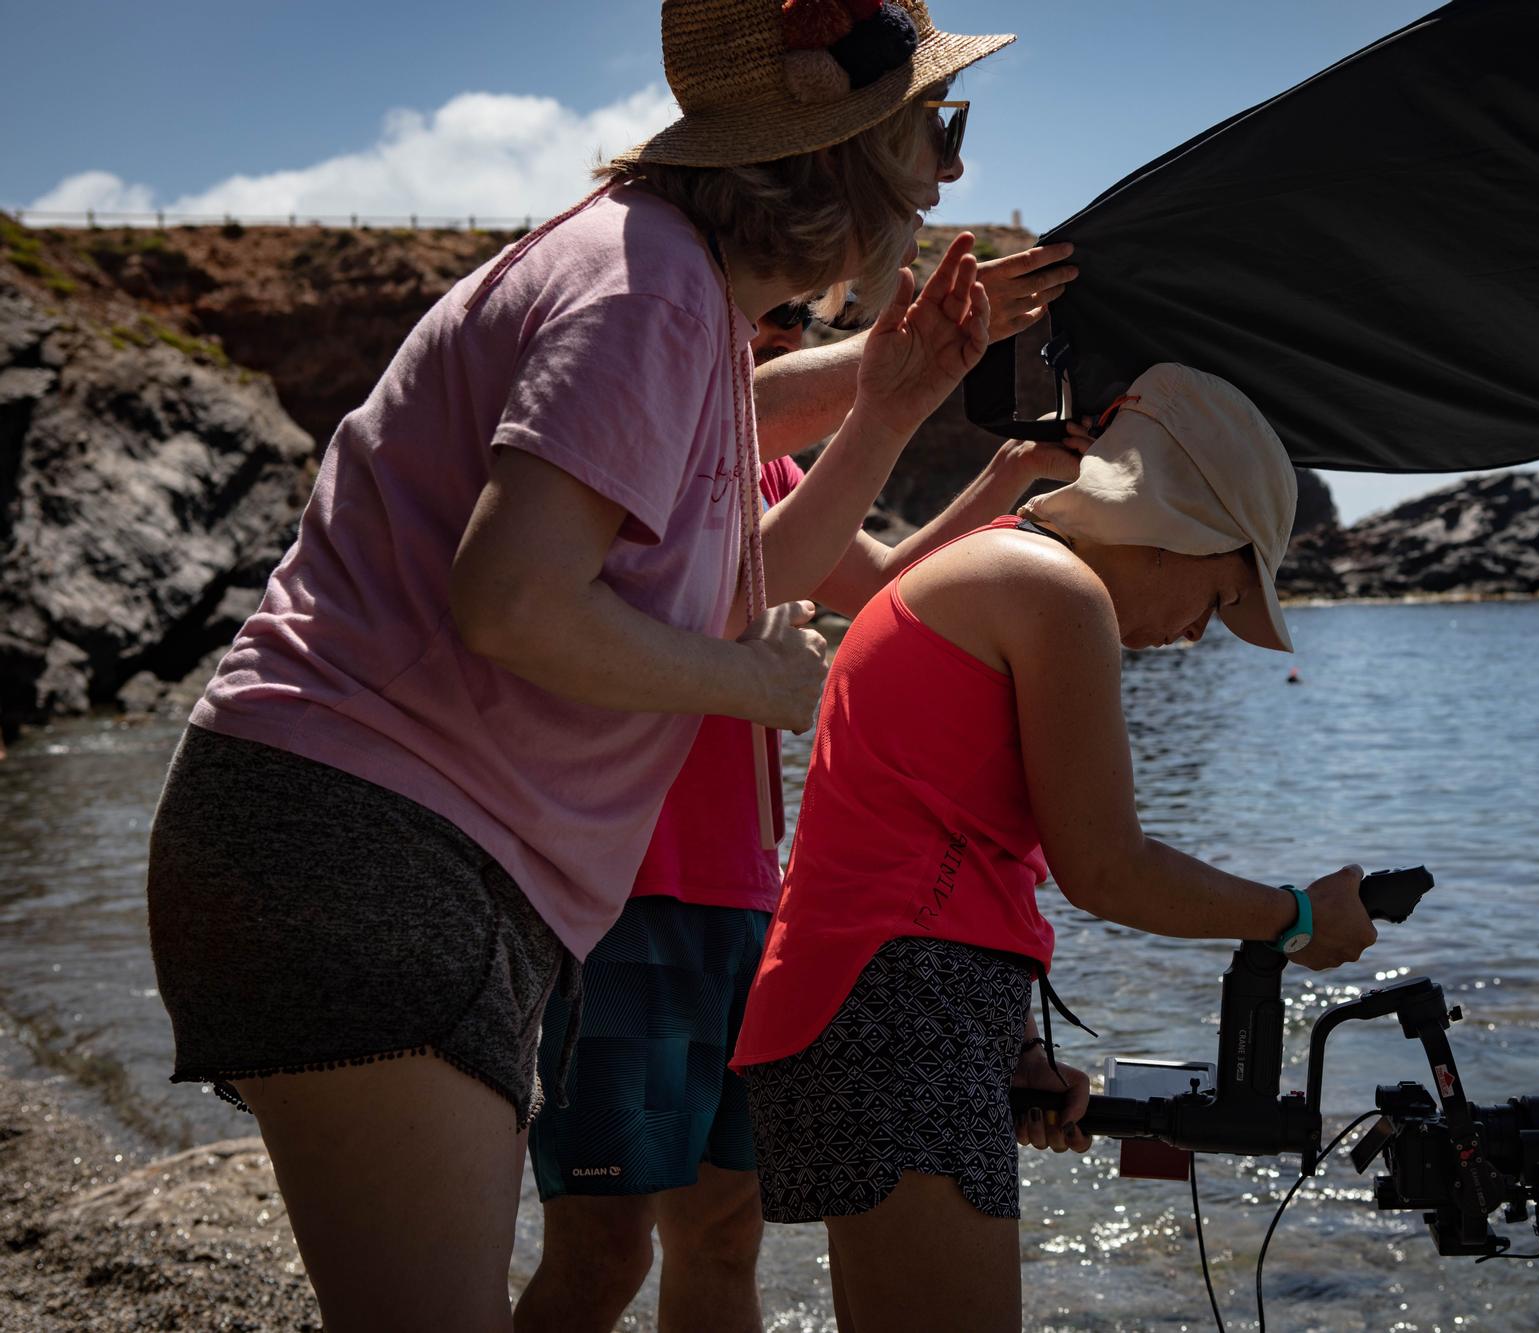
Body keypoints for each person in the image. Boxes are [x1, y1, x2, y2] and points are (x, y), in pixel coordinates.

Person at [143, 3, 1016, 1328]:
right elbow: (511, 603)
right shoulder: (649, 291)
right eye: (934, 131)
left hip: (381, 843)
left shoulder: (669, 293)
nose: (948, 173)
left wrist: (892, 398)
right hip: (376, 846)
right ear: (846, 157)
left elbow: (730, 581)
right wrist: (763, 687)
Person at [733, 363, 1382, 1332]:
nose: (1197, 633)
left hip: (873, 998)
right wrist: (1295, 917)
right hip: (901, 1006)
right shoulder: (1053, 591)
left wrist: (1017, 1046)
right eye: (1219, 597)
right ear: (1188, 530)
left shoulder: (999, 568)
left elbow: (941, 831)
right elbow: (1106, 869)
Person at [514, 287, 1087, 1333]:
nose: (785, 337)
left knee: (724, 1237)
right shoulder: (630, 436)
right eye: (766, 314)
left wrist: (1006, 483)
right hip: (616, 898)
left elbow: (884, 593)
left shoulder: (769, 466)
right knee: (600, 1251)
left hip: (748, 904)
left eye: (800, 322)